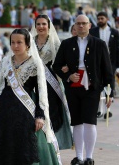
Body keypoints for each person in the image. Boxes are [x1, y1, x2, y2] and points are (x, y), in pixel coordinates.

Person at [0, 28, 61, 165]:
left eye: (19, 42)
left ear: (28, 44)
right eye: (13, 42)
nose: (15, 46)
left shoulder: (35, 64)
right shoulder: (6, 61)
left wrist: (40, 116)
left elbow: (42, 91)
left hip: (25, 110)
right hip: (2, 108)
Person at [53, 15, 114, 165]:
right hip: (73, 88)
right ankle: (79, 157)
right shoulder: (66, 44)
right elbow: (56, 65)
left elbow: (107, 70)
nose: (81, 26)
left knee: (90, 121)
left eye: (84, 23)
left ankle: (89, 157)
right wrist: (68, 76)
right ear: (74, 26)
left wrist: (109, 94)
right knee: (77, 122)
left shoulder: (99, 44)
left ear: (89, 25)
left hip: (92, 88)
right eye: (78, 24)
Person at [30, 14, 73, 150]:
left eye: (44, 24)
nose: (41, 27)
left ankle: (52, 146)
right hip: (32, 82)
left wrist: (66, 67)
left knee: (51, 112)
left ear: (49, 26)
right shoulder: (29, 41)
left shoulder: (55, 42)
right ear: (35, 26)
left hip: (51, 84)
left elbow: (63, 62)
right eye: (38, 24)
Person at [89, 11, 119, 119]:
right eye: (98, 18)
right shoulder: (93, 31)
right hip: (96, 64)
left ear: (107, 19)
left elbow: (118, 50)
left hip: (110, 63)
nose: (100, 20)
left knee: (109, 86)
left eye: (102, 18)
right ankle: (99, 110)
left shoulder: (114, 32)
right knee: (97, 86)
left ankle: (108, 110)